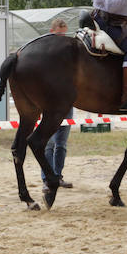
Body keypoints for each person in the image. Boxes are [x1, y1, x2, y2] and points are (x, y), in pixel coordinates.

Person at [42, 18, 73, 193]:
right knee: (49, 144)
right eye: (59, 35)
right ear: (52, 31)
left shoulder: (69, 55)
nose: (62, 39)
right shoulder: (44, 53)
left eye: (64, 35)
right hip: (50, 103)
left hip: (67, 103)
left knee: (61, 143)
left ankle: (58, 176)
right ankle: (47, 179)